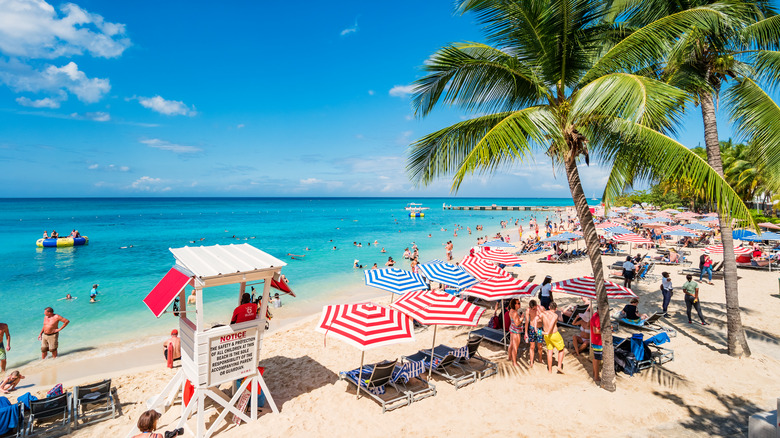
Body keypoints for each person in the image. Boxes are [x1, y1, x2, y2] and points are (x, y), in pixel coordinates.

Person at [538, 302, 566, 373]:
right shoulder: (555, 315)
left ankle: (550, 370)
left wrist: (536, 328)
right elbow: (552, 323)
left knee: (550, 351)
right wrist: (549, 331)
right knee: (561, 349)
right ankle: (559, 366)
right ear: (556, 308)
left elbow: (537, 318)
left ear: (549, 307)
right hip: (553, 333)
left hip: (546, 335)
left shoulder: (544, 313)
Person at [524, 299, 544, 368]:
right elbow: (526, 322)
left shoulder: (541, 308)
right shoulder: (528, 310)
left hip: (539, 328)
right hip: (532, 328)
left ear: (536, 305)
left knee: (540, 346)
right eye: (532, 309)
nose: (533, 310)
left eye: (534, 308)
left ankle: (540, 359)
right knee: (532, 346)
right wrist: (526, 333)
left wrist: (539, 312)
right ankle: (531, 361)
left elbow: (545, 318)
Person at [507, 299, 523, 367]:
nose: (520, 304)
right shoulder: (515, 313)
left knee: (511, 344)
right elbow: (517, 323)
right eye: (518, 303)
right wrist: (521, 318)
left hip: (512, 329)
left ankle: (509, 357)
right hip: (516, 331)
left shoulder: (511, 311)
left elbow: (513, 320)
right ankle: (514, 362)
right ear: (515, 305)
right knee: (515, 347)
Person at [590, 310, 603, 385]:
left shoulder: (595, 316)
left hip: (596, 340)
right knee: (597, 359)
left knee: (596, 358)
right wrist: (607, 330)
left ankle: (595, 374)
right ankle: (596, 377)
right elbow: (596, 331)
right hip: (598, 341)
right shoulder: (596, 317)